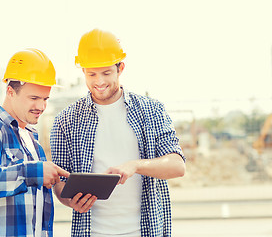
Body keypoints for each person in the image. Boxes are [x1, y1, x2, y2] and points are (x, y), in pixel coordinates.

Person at [50, 29, 186, 237]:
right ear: (83, 71)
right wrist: (69, 201)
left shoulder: (151, 110)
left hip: (145, 232)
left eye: (106, 73)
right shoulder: (65, 122)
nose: (99, 82)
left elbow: (177, 166)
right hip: (92, 232)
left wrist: (135, 165)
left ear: (120, 68)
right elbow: (60, 183)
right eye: (91, 74)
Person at [0, 48, 69, 237]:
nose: (41, 107)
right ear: (10, 91)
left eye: (45, 99)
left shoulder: (32, 140)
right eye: (33, 98)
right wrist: (32, 172)